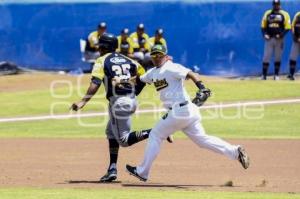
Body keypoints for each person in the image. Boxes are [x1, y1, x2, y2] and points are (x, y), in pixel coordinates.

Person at [125, 44, 250, 182]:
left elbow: (191, 74)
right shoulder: (153, 72)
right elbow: (139, 80)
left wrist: (202, 87)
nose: (157, 58)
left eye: (160, 55)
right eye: (154, 55)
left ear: (166, 56)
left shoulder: (171, 67)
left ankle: (142, 172)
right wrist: (121, 82)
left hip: (180, 110)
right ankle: (235, 151)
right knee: (202, 140)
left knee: (155, 134)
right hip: (186, 112)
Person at [70, 34, 172, 183]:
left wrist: (83, 101)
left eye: (100, 46)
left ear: (105, 47)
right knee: (110, 132)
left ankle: (157, 131)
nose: (98, 48)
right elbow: (143, 75)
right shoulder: (130, 60)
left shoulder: (101, 60)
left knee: (124, 140)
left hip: (119, 104)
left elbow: (96, 82)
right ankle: (112, 168)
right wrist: (135, 91)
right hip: (128, 101)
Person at [261, 0, 291, 80]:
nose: (276, 6)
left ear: (280, 5)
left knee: (278, 57)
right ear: (272, 5)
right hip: (269, 39)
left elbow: (288, 27)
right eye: (275, 4)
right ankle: (264, 75)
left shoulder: (285, 14)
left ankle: (276, 75)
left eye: (277, 4)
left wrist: (281, 35)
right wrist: (265, 34)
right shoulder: (267, 13)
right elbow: (263, 26)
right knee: (266, 57)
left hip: (279, 40)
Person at [288, 11, 300, 80]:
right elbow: (292, 26)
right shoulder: (298, 15)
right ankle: (291, 74)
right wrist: (295, 37)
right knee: (292, 57)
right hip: (297, 40)